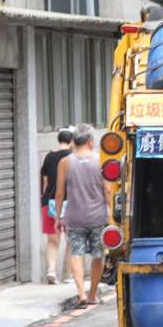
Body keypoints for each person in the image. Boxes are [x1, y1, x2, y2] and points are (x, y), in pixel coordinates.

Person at [55, 124, 112, 308]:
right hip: (97, 218)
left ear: (73, 142)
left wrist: (58, 216)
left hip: (75, 217)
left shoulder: (65, 163)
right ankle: (93, 294)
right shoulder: (101, 161)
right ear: (90, 141)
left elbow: (59, 192)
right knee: (97, 255)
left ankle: (81, 294)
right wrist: (111, 213)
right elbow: (109, 190)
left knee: (76, 255)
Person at [40, 128, 74, 284]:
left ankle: (51, 271)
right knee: (71, 241)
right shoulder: (73, 157)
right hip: (70, 203)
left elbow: (45, 183)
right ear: (72, 141)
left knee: (52, 241)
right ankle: (69, 275)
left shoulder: (49, 157)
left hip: (50, 203)